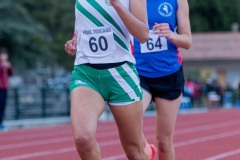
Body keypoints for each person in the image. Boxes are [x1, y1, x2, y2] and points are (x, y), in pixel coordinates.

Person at [64, 0, 156, 159]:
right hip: (86, 73)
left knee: (134, 150)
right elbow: (82, 24)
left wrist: (117, 4)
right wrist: (74, 41)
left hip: (121, 74)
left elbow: (143, 35)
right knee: (83, 139)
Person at [133, 0, 192, 159]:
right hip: (139, 73)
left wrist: (172, 35)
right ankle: (146, 149)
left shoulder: (178, 1)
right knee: (131, 120)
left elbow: (187, 41)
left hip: (169, 74)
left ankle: (153, 150)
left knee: (164, 143)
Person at [0, 47, 13, 130]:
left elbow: (10, 74)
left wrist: (8, 67)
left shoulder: (7, 64)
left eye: (5, 55)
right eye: (2, 55)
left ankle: (1, 122)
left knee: (3, 106)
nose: (4, 57)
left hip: (5, 87)